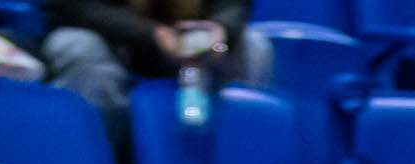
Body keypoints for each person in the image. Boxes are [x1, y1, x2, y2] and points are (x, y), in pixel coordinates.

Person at [39, 0, 270, 142]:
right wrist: (151, 33)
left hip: (192, 47)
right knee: (75, 46)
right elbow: (68, 7)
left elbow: (233, 5)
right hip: (115, 41)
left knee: (254, 46)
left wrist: (221, 31)